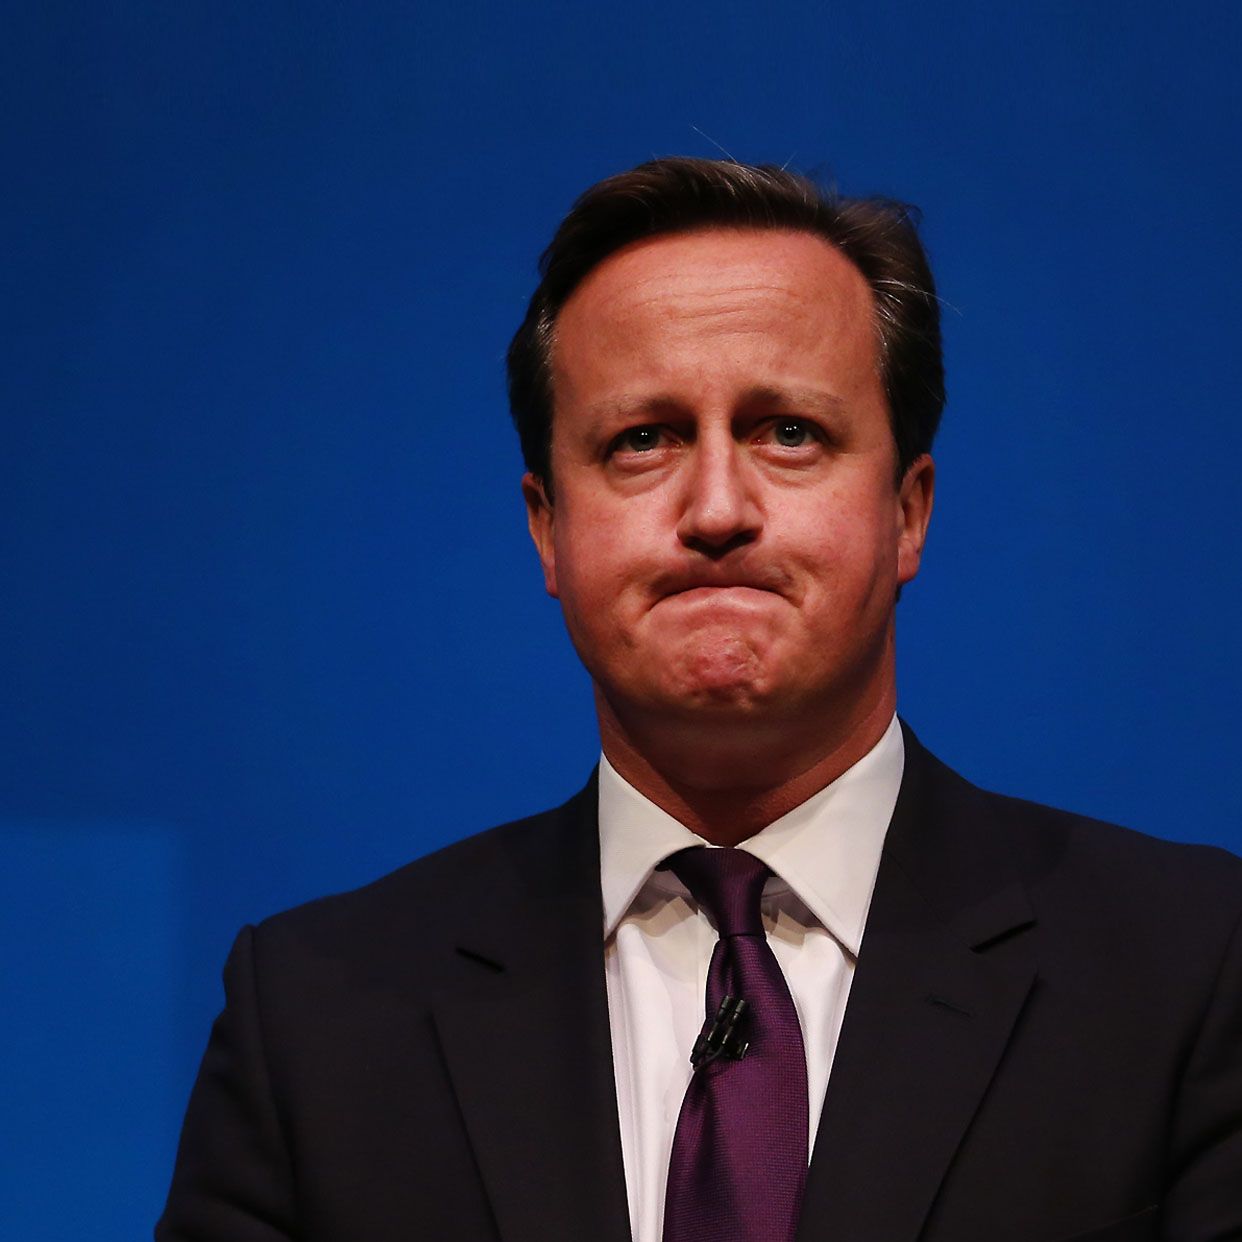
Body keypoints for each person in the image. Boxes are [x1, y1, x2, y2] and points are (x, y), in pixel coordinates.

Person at [157, 158, 1242, 1242]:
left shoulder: (1189, 971)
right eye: (643, 440)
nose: (717, 508)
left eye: (788, 433)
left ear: (908, 512)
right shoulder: (315, 1018)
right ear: (547, 527)